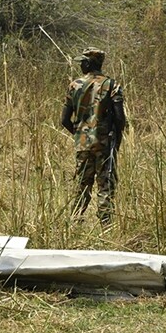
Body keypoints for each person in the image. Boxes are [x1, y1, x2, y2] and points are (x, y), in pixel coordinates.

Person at [60, 47, 126, 226]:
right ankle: (106, 224)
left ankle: (75, 222)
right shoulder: (112, 85)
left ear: (89, 63)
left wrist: (80, 134)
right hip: (104, 144)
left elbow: (64, 120)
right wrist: (116, 140)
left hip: (82, 144)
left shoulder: (74, 85)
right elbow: (120, 119)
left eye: (82, 62)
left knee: (82, 184)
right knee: (105, 185)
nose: (81, 64)